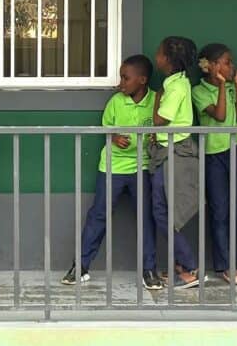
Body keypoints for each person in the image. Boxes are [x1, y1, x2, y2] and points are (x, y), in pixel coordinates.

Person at [60, 55, 161, 290]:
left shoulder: (157, 100)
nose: (120, 83)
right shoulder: (116, 101)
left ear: (143, 80)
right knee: (99, 215)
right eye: (120, 77)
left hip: (143, 167)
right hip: (112, 166)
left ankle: (149, 269)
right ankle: (80, 266)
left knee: (146, 217)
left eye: (126, 78)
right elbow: (106, 128)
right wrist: (114, 137)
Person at [149, 36, 203, 289]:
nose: (156, 56)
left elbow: (160, 119)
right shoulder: (175, 82)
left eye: (159, 53)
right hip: (167, 150)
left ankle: (192, 268)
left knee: (165, 212)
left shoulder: (176, 87)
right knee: (164, 210)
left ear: (168, 59)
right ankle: (183, 264)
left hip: (175, 151)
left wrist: (157, 97)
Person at [193, 43, 237, 285]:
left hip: (236, 149)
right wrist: (224, 86)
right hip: (214, 154)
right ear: (212, 66)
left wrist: (236, 87)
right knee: (220, 210)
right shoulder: (199, 90)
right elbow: (218, 115)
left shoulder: (230, 88)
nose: (231, 66)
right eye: (226, 62)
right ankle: (225, 265)